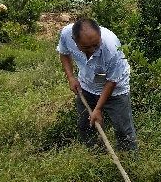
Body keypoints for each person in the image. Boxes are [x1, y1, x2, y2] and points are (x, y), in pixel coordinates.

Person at [58, 18, 138, 152]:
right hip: (87, 86)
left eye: (96, 45)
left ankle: (130, 161)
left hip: (116, 90)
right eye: (86, 48)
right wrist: (71, 77)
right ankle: (98, 156)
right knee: (86, 125)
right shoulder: (66, 34)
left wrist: (98, 108)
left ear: (100, 35)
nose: (93, 50)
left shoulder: (111, 47)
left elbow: (112, 81)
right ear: (74, 39)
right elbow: (64, 53)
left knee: (123, 130)